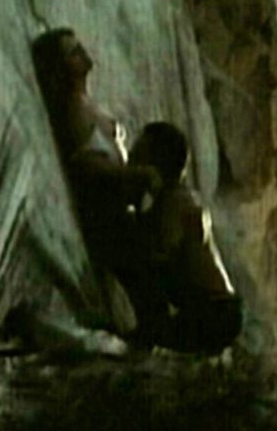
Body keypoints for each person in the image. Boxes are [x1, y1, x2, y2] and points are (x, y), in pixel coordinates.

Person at [31, 28, 163, 339]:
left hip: (119, 207)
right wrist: (137, 174)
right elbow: (87, 164)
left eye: (79, 47)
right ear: (61, 66)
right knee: (143, 288)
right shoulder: (72, 109)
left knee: (146, 288)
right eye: (72, 52)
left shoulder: (86, 102)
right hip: (103, 213)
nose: (82, 53)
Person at [128, 122, 241, 353]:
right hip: (218, 310)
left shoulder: (175, 201)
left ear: (155, 163)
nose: (130, 157)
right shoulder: (178, 198)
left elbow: (161, 254)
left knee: (144, 268)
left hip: (212, 313)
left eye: (138, 152)